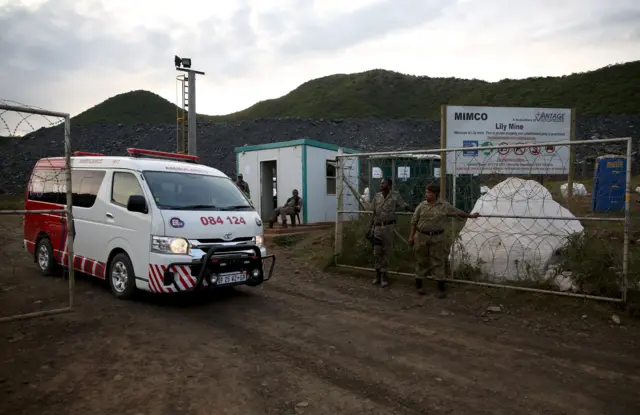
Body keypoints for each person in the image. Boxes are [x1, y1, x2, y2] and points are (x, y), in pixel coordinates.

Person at [408, 184, 480, 298]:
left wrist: (470, 216)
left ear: (435, 194)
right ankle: (419, 285)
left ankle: (441, 288)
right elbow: (414, 222)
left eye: (429, 192)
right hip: (422, 237)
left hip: (437, 237)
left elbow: (457, 212)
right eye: (426, 192)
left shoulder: (444, 206)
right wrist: (411, 237)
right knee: (422, 261)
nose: (426, 194)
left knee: (438, 261)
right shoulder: (421, 206)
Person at [368, 178, 411, 288]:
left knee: (386, 251)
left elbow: (404, 205)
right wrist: (370, 227)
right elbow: (373, 212)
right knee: (377, 252)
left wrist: (414, 210)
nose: (381, 184)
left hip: (388, 228)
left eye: (384, 183)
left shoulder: (395, 195)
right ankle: (377, 274)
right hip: (377, 228)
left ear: (389, 185)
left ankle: (384, 276)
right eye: (381, 183)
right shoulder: (377, 196)